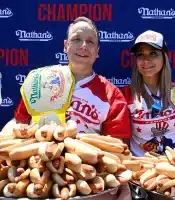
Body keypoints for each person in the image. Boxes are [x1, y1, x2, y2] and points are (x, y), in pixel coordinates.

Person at [14, 17, 132, 200]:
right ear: (65, 46)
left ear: (97, 51)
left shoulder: (111, 94)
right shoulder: (39, 81)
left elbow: (117, 149)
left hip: (85, 181)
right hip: (37, 174)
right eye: (76, 39)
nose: (83, 46)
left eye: (90, 41)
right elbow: (19, 124)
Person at [121, 30, 175, 157]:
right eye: (140, 55)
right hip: (143, 168)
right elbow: (121, 144)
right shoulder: (125, 95)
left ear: (164, 57)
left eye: (153, 53)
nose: (146, 60)